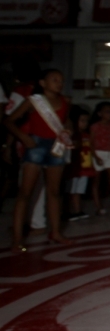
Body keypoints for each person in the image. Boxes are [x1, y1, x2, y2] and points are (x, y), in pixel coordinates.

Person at [4, 68, 73, 251]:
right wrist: (23, 137)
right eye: (54, 80)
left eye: (61, 80)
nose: (59, 83)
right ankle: (17, 238)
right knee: (25, 193)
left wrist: (68, 130)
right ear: (42, 83)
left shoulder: (65, 101)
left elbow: (66, 121)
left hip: (56, 146)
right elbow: (9, 121)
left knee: (54, 192)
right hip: (36, 145)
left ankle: (55, 232)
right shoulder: (33, 101)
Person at [67, 107, 96, 220]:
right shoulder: (71, 135)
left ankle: (77, 211)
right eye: (82, 120)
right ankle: (70, 211)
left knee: (78, 190)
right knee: (71, 190)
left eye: (87, 121)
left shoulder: (87, 135)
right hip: (74, 168)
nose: (85, 123)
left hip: (85, 167)